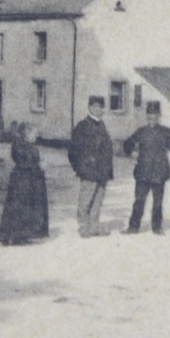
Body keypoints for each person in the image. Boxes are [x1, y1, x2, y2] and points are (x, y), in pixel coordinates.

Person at [122, 103, 170, 235]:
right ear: (146, 116)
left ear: (159, 116)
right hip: (143, 172)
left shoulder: (166, 131)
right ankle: (133, 227)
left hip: (159, 173)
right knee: (139, 201)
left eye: (155, 115)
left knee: (158, 203)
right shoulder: (141, 131)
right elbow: (127, 144)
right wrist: (131, 152)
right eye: (149, 115)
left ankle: (157, 227)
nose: (152, 117)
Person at [0, 122, 49, 246]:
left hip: (28, 180)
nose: (37, 135)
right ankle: (14, 236)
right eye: (34, 133)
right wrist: (39, 166)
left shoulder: (28, 146)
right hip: (23, 181)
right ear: (27, 133)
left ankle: (21, 235)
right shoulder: (20, 146)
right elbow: (24, 162)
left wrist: (40, 164)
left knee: (25, 207)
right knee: (19, 207)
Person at [68, 96, 114, 237]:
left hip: (103, 170)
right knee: (86, 200)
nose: (98, 109)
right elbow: (73, 151)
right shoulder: (82, 126)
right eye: (95, 107)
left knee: (98, 200)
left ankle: (94, 226)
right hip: (89, 171)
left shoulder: (102, 125)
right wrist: (80, 167)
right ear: (89, 108)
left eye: (100, 107)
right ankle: (83, 227)